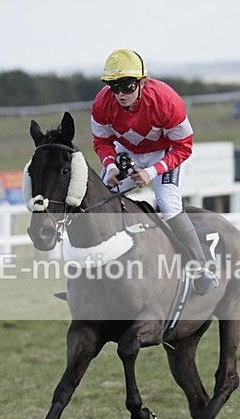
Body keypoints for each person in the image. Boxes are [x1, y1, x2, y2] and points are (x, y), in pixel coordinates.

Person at [90, 49, 218, 295]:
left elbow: (184, 146)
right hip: (126, 153)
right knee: (100, 200)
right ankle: (95, 272)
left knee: (168, 204)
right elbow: (101, 141)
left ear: (143, 82)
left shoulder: (167, 101)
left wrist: (152, 171)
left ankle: (201, 270)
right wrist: (111, 166)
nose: (119, 94)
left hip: (164, 153)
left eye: (127, 86)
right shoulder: (102, 103)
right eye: (112, 87)